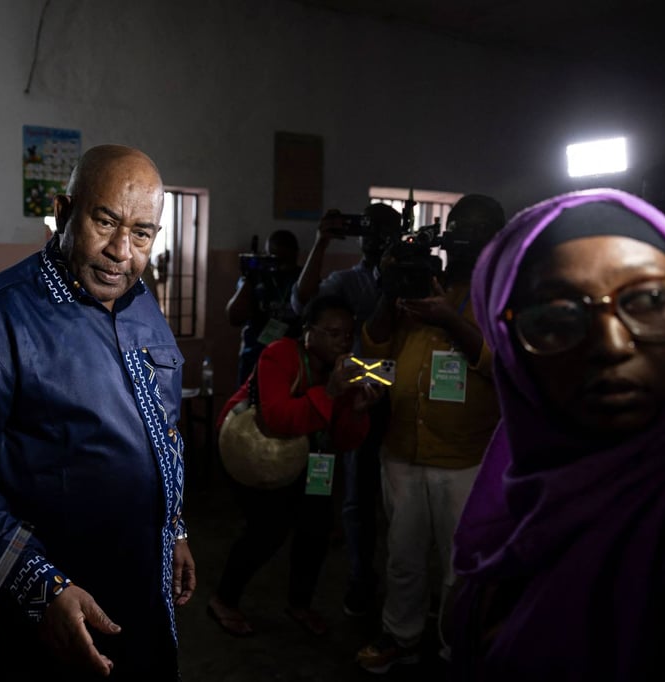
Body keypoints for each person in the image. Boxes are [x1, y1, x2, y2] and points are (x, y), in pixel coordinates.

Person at [0, 144, 196, 681]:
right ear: (64, 212)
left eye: (142, 233)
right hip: (46, 600)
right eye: (106, 221)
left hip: (143, 583)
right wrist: (39, 584)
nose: (122, 250)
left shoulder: (141, 301)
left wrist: (174, 527)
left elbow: (162, 429)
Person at [449, 188, 665, 680]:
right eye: (557, 315)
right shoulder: (512, 493)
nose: (610, 343)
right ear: (509, 347)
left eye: (647, 299)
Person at [355, 194, 505, 673]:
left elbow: (498, 366)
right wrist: (389, 284)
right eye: (457, 231)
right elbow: (374, 343)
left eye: (474, 233)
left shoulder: (500, 294)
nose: (463, 243)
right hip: (401, 448)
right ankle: (401, 635)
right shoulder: (419, 281)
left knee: (458, 568)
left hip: (465, 458)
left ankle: (452, 648)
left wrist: (447, 318)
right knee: (402, 556)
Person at [206, 295, 382, 638]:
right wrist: (329, 394)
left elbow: (345, 440)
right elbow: (277, 419)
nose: (342, 341)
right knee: (267, 530)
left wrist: (358, 410)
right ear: (309, 332)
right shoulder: (280, 354)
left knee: (316, 528)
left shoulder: (344, 370)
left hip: (312, 459)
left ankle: (300, 604)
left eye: (348, 335)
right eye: (332, 333)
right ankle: (223, 599)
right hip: (251, 452)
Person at [291, 202, 403, 617]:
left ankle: (408, 587)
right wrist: (321, 241)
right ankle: (361, 580)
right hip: (358, 400)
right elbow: (302, 305)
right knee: (357, 497)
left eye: (387, 232)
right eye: (369, 231)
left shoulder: (413, 282)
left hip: (406, 403)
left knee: (405, 500)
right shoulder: (346, 282)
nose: (377, 240)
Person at [226, 229, 302, 386]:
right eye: (272, 257)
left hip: (293, 360)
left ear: (295, 254)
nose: (277, 264)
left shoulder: (303, 278)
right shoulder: (256, 278)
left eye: (283, 259)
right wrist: (250, 277)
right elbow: (234, 316)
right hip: (255, 357)